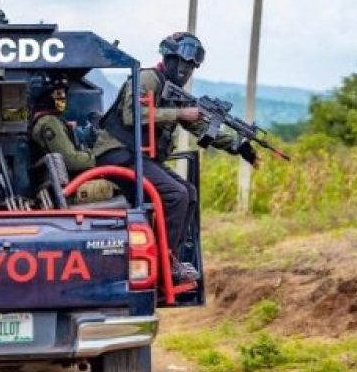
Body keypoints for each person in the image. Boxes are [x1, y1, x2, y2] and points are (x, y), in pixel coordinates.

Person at [92, 32, 259, 284]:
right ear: (168, 59)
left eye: (191, 66)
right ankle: (162, 265)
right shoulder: (149, 78)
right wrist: (181, 113)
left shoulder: (175, 94)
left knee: (188, 192)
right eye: (181, 63)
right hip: (116, 153)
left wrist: (238, 146)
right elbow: (132, 115)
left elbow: (201, 130)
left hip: (138, 157)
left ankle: (171, 258)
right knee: (175, 195)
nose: (185, 70)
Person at [29, 74, 96, 176]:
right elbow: (71, 161)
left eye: (64, 93)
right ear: (46, 96)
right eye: (59, 93)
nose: (63, 97)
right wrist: (97, 156)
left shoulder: (45, 120)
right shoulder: (49, 122)